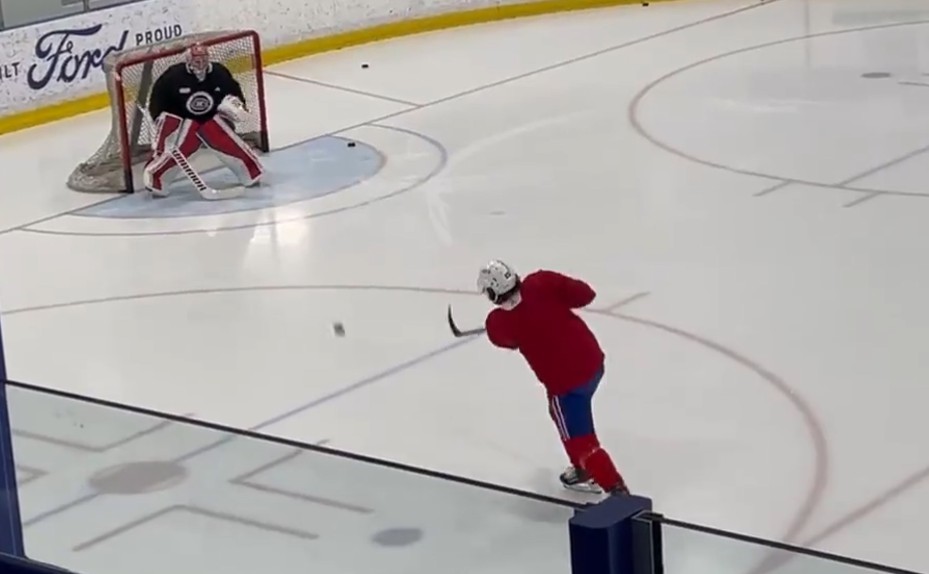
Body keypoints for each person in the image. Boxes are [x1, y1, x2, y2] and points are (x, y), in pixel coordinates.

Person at [478, 260, 629, 496]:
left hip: (566, 386)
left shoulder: (499, 323)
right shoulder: (541, 282)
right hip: (592, 361)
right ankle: (582, 468)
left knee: (582, 442)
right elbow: (585, 294)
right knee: (557, 411)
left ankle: (615, 490)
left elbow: (506, 340)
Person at [142, 43, 264, 197]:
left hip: (212, 120)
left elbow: (235, 94)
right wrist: (160, 121)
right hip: (182, 122)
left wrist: (237, 107)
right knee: (178, 147)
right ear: (188, 60)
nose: (200, 63)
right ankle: (156, 178)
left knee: (223, 137)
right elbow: (158, 101)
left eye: (203, 58)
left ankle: (250, 172)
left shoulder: (219, 73)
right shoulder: (173, 76)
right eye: (196, 59)